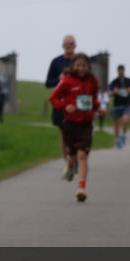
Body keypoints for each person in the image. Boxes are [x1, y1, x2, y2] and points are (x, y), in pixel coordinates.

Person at [49, 53, 104, 201]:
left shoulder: (93, 81)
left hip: (86, 124)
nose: (81, 68)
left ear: (88, 67)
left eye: (84, 65)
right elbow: (53, 98)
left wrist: (99, 108)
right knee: (72, 154)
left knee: (82, 155)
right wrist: (65, 107)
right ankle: (69, 167)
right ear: (73, 66)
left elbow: (94, 99)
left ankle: (81, 188)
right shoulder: (67, 81)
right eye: (78, 65)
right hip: (70, 123)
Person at [45, 35, 77, 175]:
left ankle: (74, 159)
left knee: (76, 133)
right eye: (66, 44)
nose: (69, 46)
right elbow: (47, 83)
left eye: (71, 44)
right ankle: (68, 164)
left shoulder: (80, 61)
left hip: (76, 102)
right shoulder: (56, 62)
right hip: (61, 102)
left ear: (75, 45)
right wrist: (58, 79)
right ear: (63, 46)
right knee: (64, 134)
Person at [107, 64, 130, 150]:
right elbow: (109, 93)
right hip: (117, 104)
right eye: (119, 70)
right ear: (118, 71)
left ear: (124, 71)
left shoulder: (129, 81)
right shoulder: (114, 82)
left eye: (122, 70)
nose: (121, 72)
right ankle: (117, 139)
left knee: (125, 119)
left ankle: (123, 135)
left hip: (127, 104)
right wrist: (114, 92)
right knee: (116, 123)